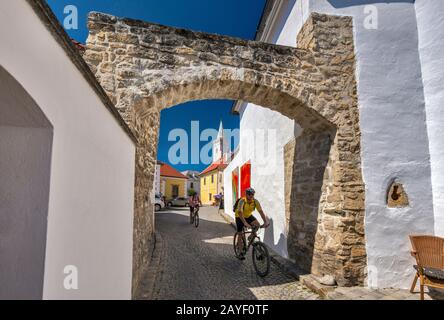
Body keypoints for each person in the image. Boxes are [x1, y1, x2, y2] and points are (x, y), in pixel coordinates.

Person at [234, 187, 269, 259]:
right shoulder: (242, 201)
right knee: (240, 234)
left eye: (252, 194)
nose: (251, 196)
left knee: (257, 225)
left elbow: (261, 211)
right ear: (246, 194)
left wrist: (265, 222)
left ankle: (250, 237)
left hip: (248, 216)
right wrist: (245, 223)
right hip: (239, 217)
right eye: (249, 194)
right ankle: (240, 252)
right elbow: (240, 212)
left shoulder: (255, 201)